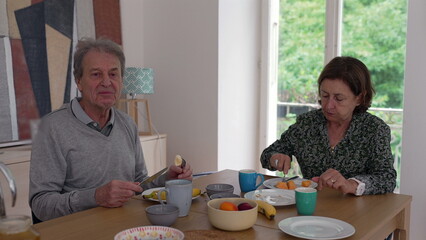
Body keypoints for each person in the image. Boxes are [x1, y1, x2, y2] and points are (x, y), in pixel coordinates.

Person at [29, 38, 193, 222]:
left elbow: (139, 185)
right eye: (96, 74)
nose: (106, 82)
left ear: (121, 81)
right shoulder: (51, 128)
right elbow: (41, 205)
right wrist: (95, 197)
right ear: (79, 81)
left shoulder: (127, 124)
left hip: (124, 227)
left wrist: (166, 180)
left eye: (113, 74)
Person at [260, 56, 396, 196]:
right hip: (310, 207)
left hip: (357, 212)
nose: (329, 105)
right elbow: (268, 154)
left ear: (359, 98)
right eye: (325, 95)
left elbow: (387, 178)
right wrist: (275, 158)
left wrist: (351, 184)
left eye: (339, 98)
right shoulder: (307, 124)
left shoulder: (374, 129)